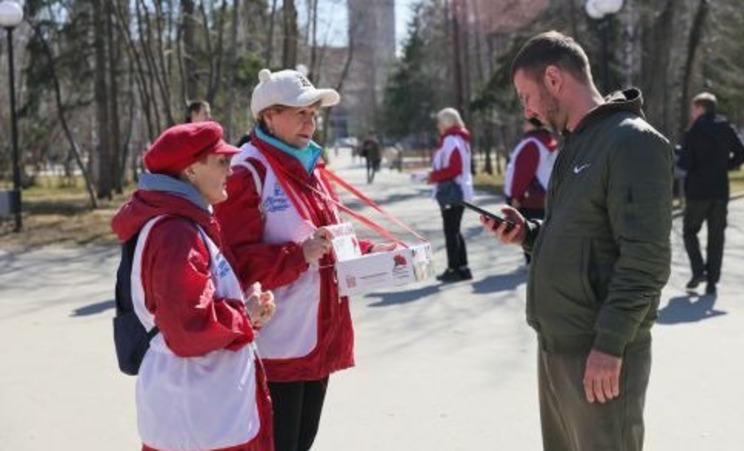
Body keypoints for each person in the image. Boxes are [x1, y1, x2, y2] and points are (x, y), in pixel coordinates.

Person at [482, 31, 673, 451]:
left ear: (553, 78)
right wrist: (529, 235)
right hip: (559, 347)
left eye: (525, 95)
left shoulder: (632, 142)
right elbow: (583, 234)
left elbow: (647, 259)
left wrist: (609, 345)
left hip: (598, 352)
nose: (527, 111)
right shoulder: (577, 143)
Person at [214, 69, 395, 451]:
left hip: (318, 336)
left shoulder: (309, 167)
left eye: (313, 114)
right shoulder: (248, 171)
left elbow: (331, 240)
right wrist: (297, 256)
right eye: (300, 113)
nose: (310, 122)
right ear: (268, 116)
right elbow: (234, 264)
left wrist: (381, 256)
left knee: (302, 442)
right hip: (277, 344)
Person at [111, 122, 276, 451]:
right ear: (190, 170)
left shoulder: (184, 223)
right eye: (221, 161)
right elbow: (188, 328)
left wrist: (244, 310)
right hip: (200, 418)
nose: (231, 169)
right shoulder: (175, 233)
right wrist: (244, 314)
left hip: (205, 411)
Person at [678, 92, 744, 295]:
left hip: (697, 192)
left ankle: (699, 270)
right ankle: (712, 282)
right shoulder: (726, 128)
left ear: (701, 108)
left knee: (690, 231)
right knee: (716, 237)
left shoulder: (693, 132)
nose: (692, 113)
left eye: (694, 108)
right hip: (720, 190)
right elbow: (743, 154)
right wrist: (725, 166)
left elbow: (685, 164)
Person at [427, 107, 474, 283]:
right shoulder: (460, 139)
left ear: (446, 123)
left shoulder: (451, 140)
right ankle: (463, 267)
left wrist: (434, 176)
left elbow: (454, 168)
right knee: (455, 230)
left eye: (439, 122)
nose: (438, 126)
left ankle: (454, 268)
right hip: (460, 189)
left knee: (450, 231)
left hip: (452, 191)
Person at [503, 117, 558, 264]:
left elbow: (523, 173)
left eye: (525, 122)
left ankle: (534, 264)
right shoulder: (547, 141)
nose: (523, 126)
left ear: (532, 124)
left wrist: (516, 197)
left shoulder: (532, 143)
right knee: (543, 233)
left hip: (529, 198)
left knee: (530, 234)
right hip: (544, 195)